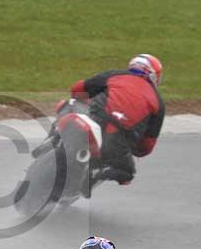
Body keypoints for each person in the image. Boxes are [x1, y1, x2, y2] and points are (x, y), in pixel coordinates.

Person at [69, 53, 165, 185]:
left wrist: (84, 99)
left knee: (70, 105)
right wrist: (135, 150)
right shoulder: (158, 103)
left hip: (94, 120)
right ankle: (97, 176)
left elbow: (77, 89)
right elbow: (147, 145)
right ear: (153, 75)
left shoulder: (114, 74)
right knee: (127, 174)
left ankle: (54, 139)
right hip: (118, 143)